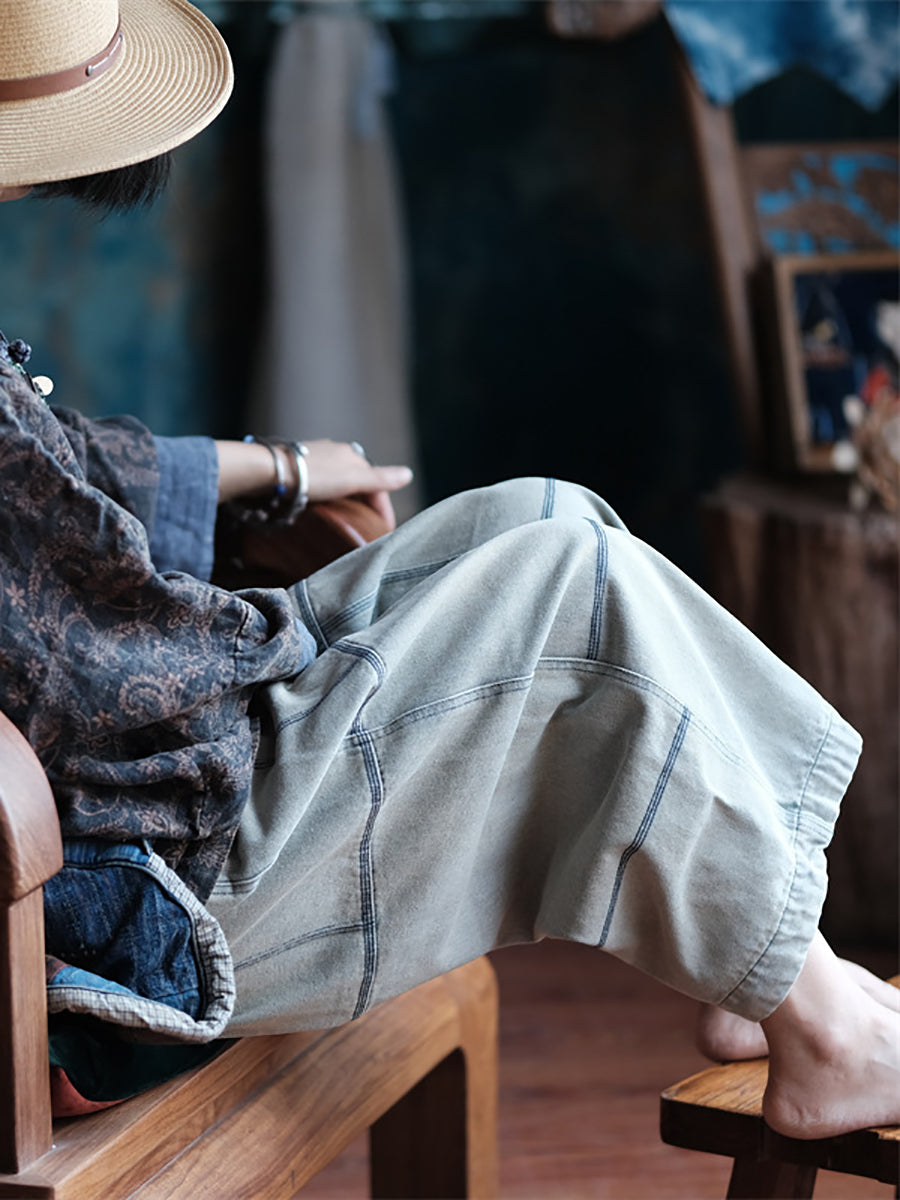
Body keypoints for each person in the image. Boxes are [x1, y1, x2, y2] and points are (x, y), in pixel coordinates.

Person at [0, 0, 897, 1140]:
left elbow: (56, 461)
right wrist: (291, 636)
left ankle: (772, 965)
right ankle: (828, 1037)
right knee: (567, 586)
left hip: (155, 787)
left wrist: (274, 466)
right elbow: (103, 664)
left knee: (545, 513)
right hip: (151, 889)